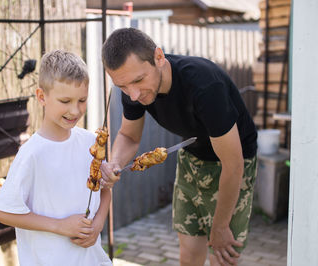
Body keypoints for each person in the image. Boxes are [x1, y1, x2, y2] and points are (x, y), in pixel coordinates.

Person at [100, 28, 257, 266]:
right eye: (122, 86)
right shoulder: (132, 88)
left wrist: (221, 225)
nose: (133, 95)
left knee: (222, 257)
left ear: (159, 57)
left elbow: (233, 165)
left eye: (138, 81)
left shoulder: (205, 86)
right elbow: (129, 136)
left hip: (233, 166)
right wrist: (114, 164)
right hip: (191, 159)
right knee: (189, 256)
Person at [0, 50, 112, 266]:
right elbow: (3, 212)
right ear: (42, 97)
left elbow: (104, 190)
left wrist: (98, 223)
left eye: (82, 100)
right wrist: (60, 225)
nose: (75, 110)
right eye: (65, 101)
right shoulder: (32, 153)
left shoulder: (90, 143)